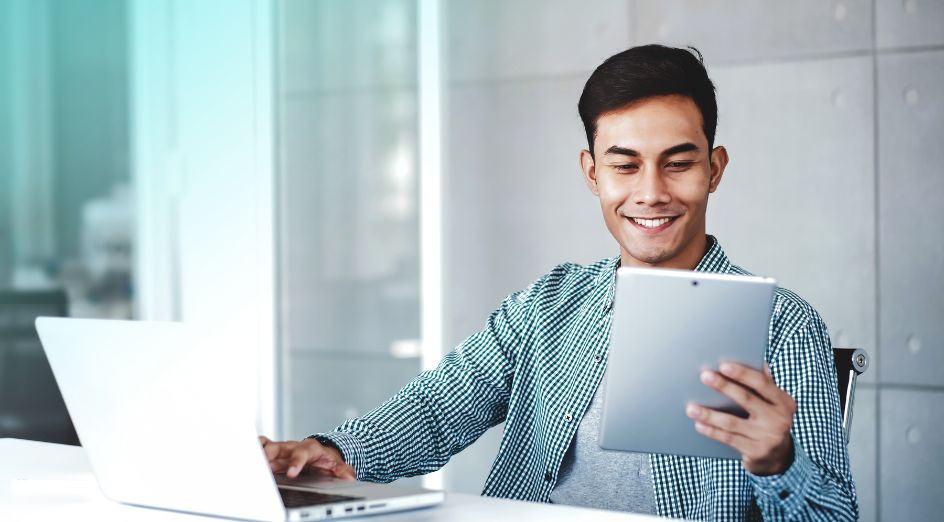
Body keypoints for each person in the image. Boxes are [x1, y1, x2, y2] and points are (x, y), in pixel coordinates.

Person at [260, 45, 857, 520]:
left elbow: (835, 517)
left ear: (714, 169)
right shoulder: (549, 302)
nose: (651, 191)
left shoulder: (781, 325)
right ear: (592, 173)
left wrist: (780, 463)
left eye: (678, 162)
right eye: (625, 165)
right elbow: (438, 408)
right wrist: (334, 450)